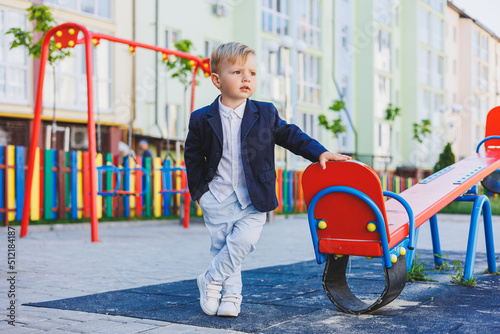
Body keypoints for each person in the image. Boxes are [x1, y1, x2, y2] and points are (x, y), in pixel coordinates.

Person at [184, 42, 350, 318]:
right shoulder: (201, 118)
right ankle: (231, 297)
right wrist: (200, 193)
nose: (246, 78)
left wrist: (318, 151)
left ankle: (210, 279)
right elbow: (192, 157)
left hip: (254, 197)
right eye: (237, 72)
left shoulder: (265, 113)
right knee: (224, 248)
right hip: (217, 196)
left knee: (244, 242)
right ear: (216, 80)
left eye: (252, 72)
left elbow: (291, 135)